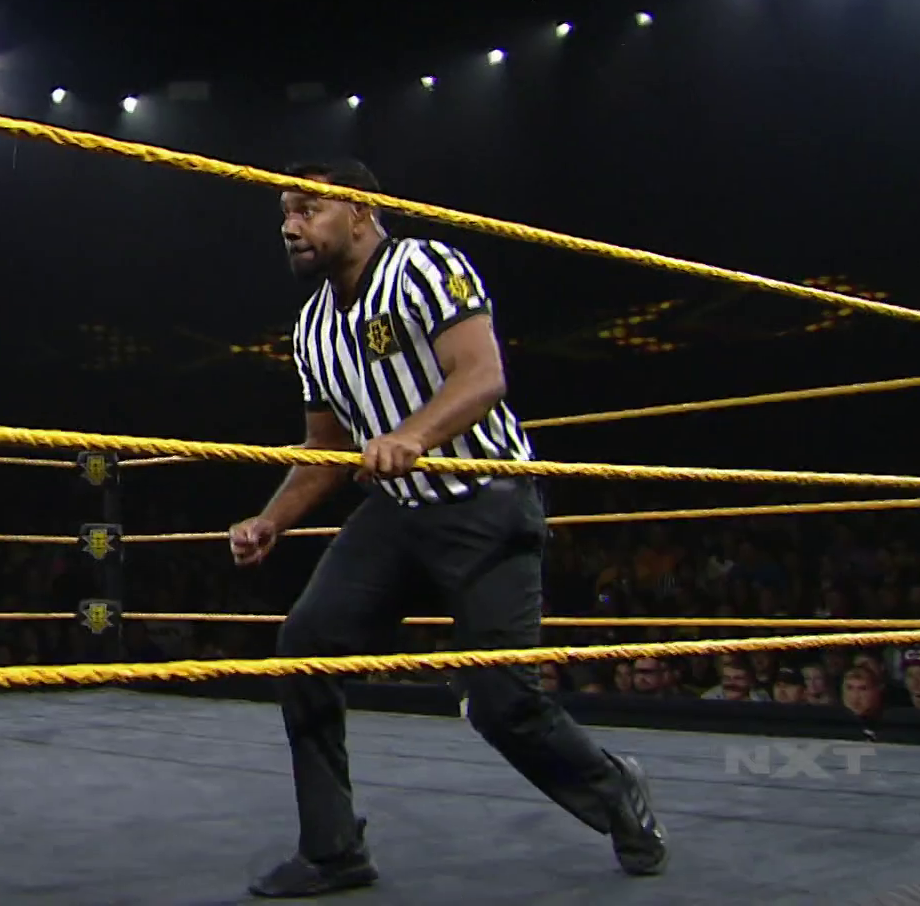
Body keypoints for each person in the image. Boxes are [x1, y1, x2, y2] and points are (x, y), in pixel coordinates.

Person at [227, 158, 667, 897]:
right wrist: (271, 519)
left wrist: (414, 435)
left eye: (307, 209)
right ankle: (333, 849)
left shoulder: (425, 267)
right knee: (305, 648)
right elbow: (325, 447)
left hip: (484, 499)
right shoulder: (310, 327)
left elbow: (482, 374)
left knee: (502, 706)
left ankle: (614, 789)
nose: (290, 227)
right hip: (398, 513)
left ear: (360, 211)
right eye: (284, 214)